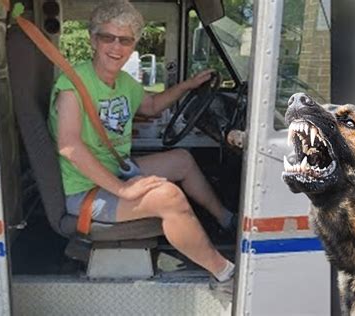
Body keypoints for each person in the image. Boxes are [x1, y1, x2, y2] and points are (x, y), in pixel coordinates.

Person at [47, 0, 235, 298]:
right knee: (170, 198)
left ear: (133, 44)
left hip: (115, 170)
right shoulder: (73, 84)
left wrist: (187, 85)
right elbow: (70, 147)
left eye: (125, 40)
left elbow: (152, 105)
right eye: (107, 37)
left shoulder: (123, 82)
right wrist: (124, 190)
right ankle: (226, 273)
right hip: (86, 190)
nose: (116, 47)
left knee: (182, 160)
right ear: (92, 40)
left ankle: (226, 220)